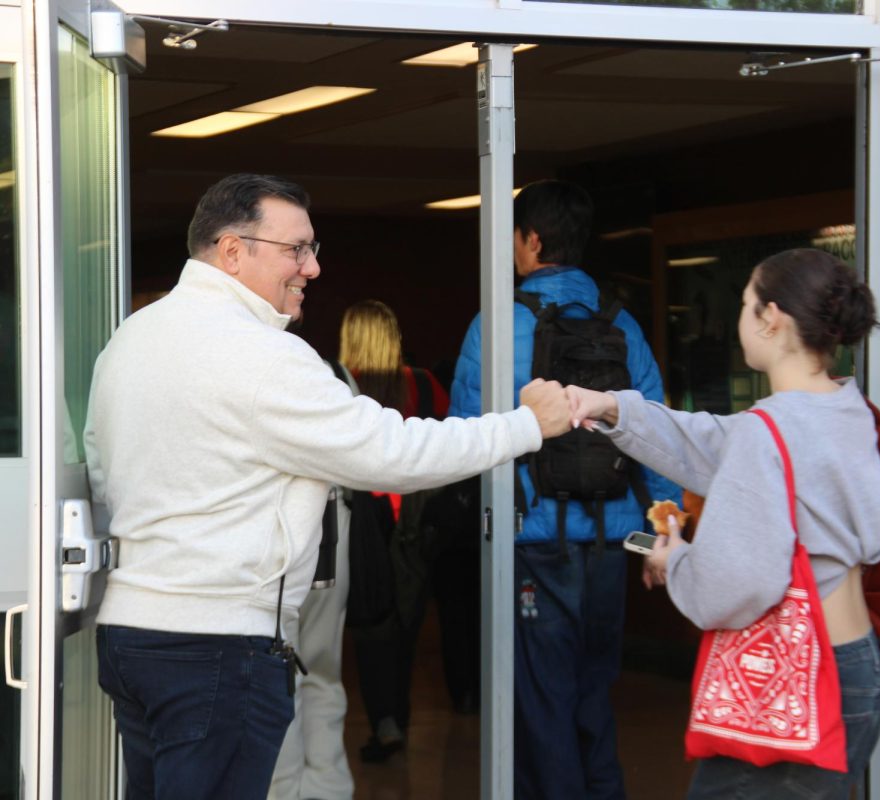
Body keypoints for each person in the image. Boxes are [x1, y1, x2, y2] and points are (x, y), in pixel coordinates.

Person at [83, 173, 573, 800]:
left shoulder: (129, 341)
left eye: (312, 249)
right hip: (216, 646)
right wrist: (529, 425)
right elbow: (394, 452)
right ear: (233, 251)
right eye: (296, 250)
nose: (312, 268)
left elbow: (103, 470)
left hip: (129, 634)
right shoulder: (265, 356)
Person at [568, 248, 880, 800]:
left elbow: (733, 585)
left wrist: (674, 560)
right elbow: (716, 440)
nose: (738, 317)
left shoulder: (767, 429)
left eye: (744, 304)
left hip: (799, 682)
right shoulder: (844, 408)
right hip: (857, 667)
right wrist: (613, 409)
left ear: (772, 319)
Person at [449, 179, 677, 800]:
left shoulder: (496, 326)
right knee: (592, 685)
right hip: (612, 538)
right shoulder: (622, 323)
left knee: (540, 692)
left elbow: (465, 434)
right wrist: (663, 529)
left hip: (533, 537)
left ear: (533, 240)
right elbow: (655, 433)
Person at [335, 299, 450, 762]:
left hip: (366, 521)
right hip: (420, 523)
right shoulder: (423, 385)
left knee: (370, 625)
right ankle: (396, 716)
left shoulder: (340, 388)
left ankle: (386, 720)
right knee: (408, 624)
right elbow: (448, 443)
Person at [267, 360, 358, 800]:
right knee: (322, 670)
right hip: (332, 544)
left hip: (275, 548)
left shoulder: (248, 365)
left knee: (281, 677)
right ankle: (329, 786)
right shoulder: (333, 373)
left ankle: (285, 791)